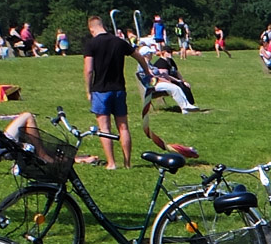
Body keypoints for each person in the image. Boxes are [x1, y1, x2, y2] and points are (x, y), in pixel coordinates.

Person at [84, 14, 154, 169]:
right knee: (123, 127)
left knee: (104, 129)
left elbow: (89, 70)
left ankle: (111, 163)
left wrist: (88, 90)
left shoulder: (92, 44)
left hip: (100, 90)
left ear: (91, 29)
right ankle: (127, 163)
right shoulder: (119, 42)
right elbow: (140, 57)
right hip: (119, 90)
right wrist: (148, 73)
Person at [138, 46, 199, 112]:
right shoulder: (143, 64)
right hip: (152, 86)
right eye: (150, 53)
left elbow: (162, 75)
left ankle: (185, 107)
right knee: (174, 88)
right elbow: (153, 77)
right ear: (146, 55)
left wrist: (176, 80)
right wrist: (166, 81)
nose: (152, 54)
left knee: (176, 88)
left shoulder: (148, 63)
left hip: (157, 83)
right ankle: (185, 107)